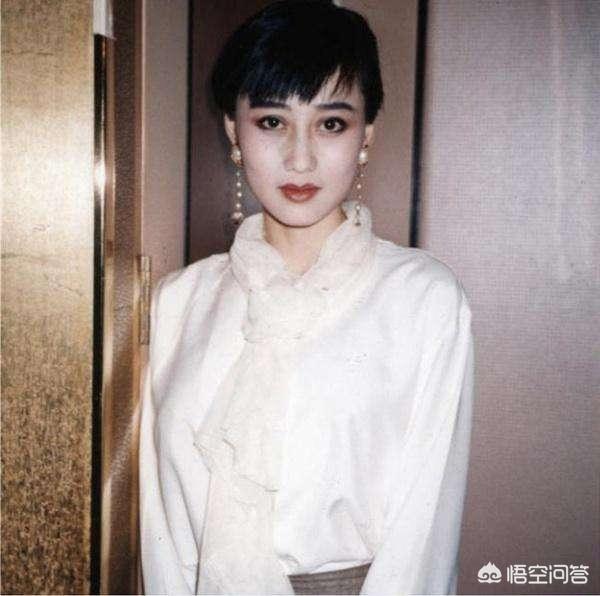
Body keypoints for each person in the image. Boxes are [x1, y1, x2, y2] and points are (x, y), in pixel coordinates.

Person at [139, 1, 475, 594]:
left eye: (331, 124)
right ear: (233, 131)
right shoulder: (180, 302)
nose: (300, 158)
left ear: (366, 136)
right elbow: (160, 525)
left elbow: (426, 532)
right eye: (272, 121)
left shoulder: (423, 299)